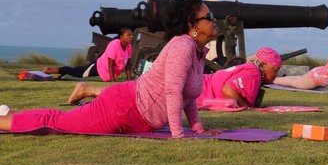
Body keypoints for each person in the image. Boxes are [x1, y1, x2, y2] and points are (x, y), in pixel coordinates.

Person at [0, 0, 214, 138]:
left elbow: (187, 97)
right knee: (57, 124)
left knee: (62, 119)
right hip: (124, 108)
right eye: (208, 17)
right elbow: (172, 91)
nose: (214, 21)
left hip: (132, 112)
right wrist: (178, 136)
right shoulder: (182, 47)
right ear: (193, 25)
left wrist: (197, 128)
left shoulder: (196, 52)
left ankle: (8, 114)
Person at [66, 46, 284, 109]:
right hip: (193, 89)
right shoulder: (253, 73)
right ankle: (89, 90)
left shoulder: (249, 69)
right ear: (265, 66)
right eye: (276, 69)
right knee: (140, 95)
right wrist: (246, 105)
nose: (277, 73)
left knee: (139, 93)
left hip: (194, 85)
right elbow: (229, 91)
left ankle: (92, 93)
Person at [272, 26, 328, 94]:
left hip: (323, 83)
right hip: (316, 77)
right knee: (295, 83)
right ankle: (272, 80)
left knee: (298, 78)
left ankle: (275, 78)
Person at [42, 28, 134, 81]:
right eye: (128, 35)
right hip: (99, 67)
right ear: (121, 37)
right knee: (78, 72)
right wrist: (113, 81)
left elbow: (128, 65)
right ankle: (52, 70)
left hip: (108, 72)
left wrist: (129, 81)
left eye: (131, 35)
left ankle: (61, 71)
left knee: (77, 71)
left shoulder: (129, 46)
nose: (131, 37)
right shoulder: (114, 45)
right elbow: (110, 64)